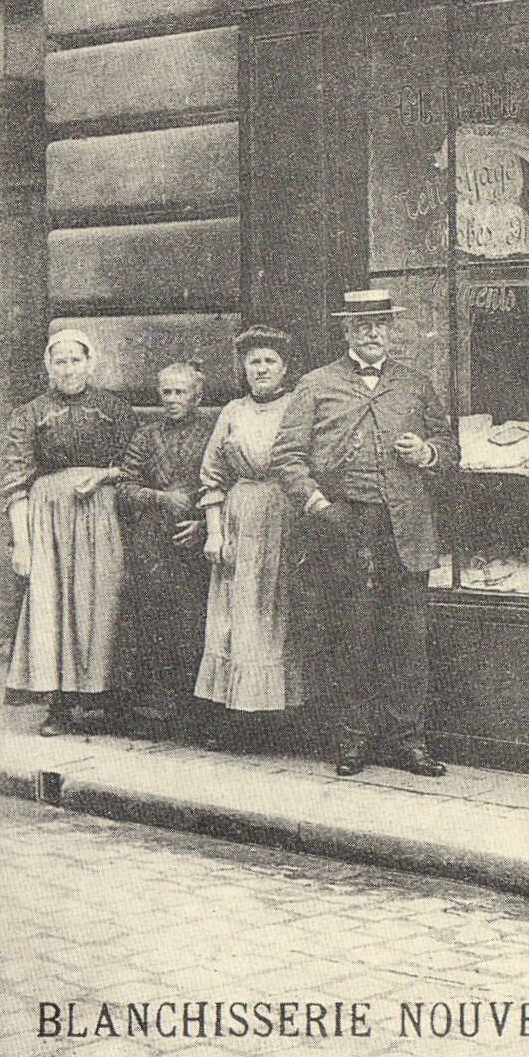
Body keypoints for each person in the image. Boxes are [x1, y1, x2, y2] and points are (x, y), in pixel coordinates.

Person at [271, 288, 457, 777]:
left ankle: (408, 741)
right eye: (364, 325)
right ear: (347, 331)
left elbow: (449, 447)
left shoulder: (416, 384)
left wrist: (428, 452)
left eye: (382, 325)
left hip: (404, 528)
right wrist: (318, 504)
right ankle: (352, 739)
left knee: (407, 638)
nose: (374, 333)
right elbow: (286, 457)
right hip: (344, 525)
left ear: (392, 330)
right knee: (349, 635)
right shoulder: (316, 384)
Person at [2, 329, 136, 736]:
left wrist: (103, 475)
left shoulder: (114, 408)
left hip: (102, 513)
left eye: (76, 360)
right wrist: (23, 543)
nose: (68, 368)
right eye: (59, 361)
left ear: (90, 363)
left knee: (101, 601)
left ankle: (105, 699)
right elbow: (15, 481)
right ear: (48, 366)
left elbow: (136, 463)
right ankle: (58, 706)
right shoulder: (29, 414)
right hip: (49, 520)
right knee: (53, 606)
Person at [194, 326, 303, 728]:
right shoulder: (232, 412)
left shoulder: (297, 406)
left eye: (269, 361)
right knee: (236, 613)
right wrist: (215, 531)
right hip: (239, 515)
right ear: (243, 367)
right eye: (254, 361)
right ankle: (236, 716)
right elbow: (212, 475)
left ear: (285, 368)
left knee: (276, 609)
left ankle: (281, 718)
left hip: (285, 515)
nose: (261, 369)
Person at [112, 363, 214, 734]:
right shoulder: (146, 436)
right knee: (152, 620)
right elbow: (124, 485)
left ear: (197, 397)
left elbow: (225, 484)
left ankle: (195, 710)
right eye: (166, 392)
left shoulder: (211, 433)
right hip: (152, 543)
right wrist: (158, 497)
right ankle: (157, 709)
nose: (172, 400)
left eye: (180, 392)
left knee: (194, 621)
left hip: (195, 542)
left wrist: (203, 525)